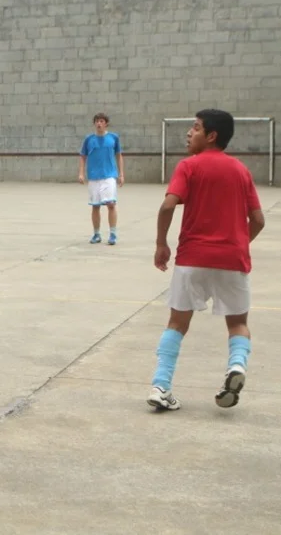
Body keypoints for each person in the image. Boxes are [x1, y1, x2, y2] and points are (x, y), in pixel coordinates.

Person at [149, 109, 265, 412]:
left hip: (193, 259)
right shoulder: (241, 170)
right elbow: (258, 220)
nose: (189, 133)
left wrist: (161, 243)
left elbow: (167, 206)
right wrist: (238, 244)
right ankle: (236, 366)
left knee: (177, 323)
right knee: (238, 323)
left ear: (211, 136)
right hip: (233, 260)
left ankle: (161, 386)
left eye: (196, 128)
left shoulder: (189, 166)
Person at [77, 112, 124, 245]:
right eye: (97, 121)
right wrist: (81, 173)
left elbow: (119, 155)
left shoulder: (113, 138)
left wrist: (121, 174)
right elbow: (83, 156)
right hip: (93, 177)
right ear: (94, 123)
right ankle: (96, 234)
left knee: (111, 204)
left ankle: (113, 234)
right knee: (95, 206)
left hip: (109, 176)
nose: (99, 123)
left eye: (102, 121)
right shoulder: (89, 139)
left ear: (106, 123)